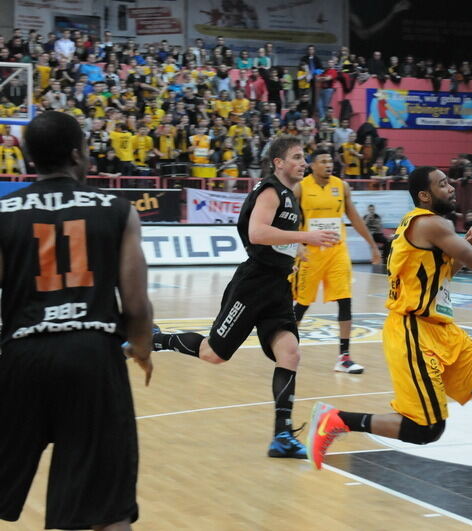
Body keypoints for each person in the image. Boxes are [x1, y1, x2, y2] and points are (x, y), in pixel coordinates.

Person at [305, 167, 472, 498]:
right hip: (413, 331)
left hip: (442, 329)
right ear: (425, 195)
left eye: (449, 181)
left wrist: (460, 250)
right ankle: (337, 419)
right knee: (425, 429)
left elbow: (442, 275)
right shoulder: (431, 223)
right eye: (443, 184)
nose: (451, 187)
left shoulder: (423, 224)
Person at [0, 111, 153, 529]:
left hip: (21, 356)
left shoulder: (4, 211)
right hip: (92, 358)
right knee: (108, 509)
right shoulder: (118, 210)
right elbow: (136, 304)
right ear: (76, 155)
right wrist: (142, 350)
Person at [151, 137, 340, 458]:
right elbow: (257, 233)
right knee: (214, 354)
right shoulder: (270, 191)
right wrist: (305, 236)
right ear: (278, 163)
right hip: (253, 285)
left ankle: (281, 434)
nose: (303, 162)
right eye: (296, 157)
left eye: (304, 157)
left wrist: (296, 250)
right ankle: (157, 340)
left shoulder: (288, 195)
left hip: (278, 286)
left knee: (290, 353)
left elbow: (273, 240)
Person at [292, 149, 382, 374]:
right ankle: (288, 349)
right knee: (301, 304)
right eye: (323, 161)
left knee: (345, 300)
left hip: (337, 251)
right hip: (310, 253)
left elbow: (354, 217)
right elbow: (288, 218)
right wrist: (296, 243)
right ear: (312, 165)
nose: (328, 164)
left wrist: (372, 245)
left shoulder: (342, 186)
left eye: (330, 160)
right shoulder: (300, 187)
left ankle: (344, 357)